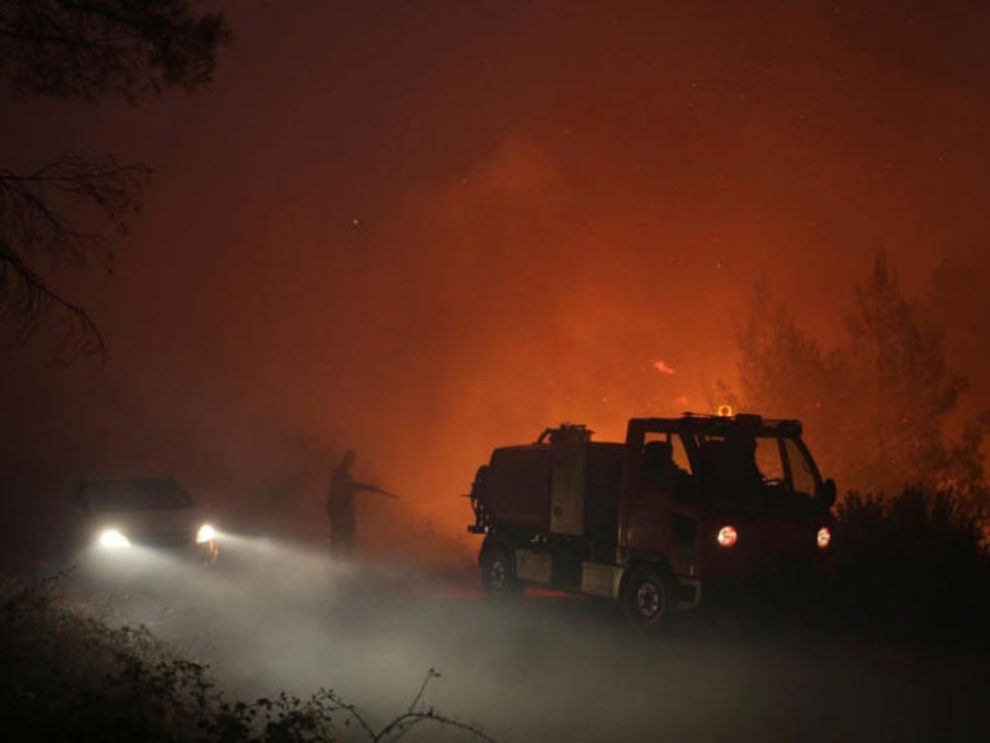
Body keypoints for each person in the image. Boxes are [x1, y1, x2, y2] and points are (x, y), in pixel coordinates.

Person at [326, 449, 397, 556]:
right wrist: (367, 487)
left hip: (342, 510)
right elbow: (348, 487)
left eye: (352, 460)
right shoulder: (340, 473)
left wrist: (368, 488)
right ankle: (339, 562)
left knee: (344, 538)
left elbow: (350, 487)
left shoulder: (343, 473)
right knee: (343, 537)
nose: (352, 462)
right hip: (340, 510)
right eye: (350, 459)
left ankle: (341, 561)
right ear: (346, 459)